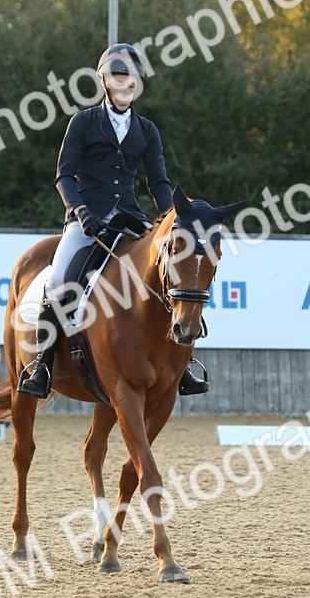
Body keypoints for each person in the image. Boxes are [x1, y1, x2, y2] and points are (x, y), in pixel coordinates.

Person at [17, 43, 209, 399]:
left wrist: (171, 220)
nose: (125, 85)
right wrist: (80, 212)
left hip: (130, 221)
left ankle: (182, 367)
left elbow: (158, 182)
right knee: (59, 278)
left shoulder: (147, 130)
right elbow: (64, 176)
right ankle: (42, 365)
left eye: (131, 79)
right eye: (118, 78)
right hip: (86, 222)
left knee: (167, 273)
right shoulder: (84, 122)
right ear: (105, 80)